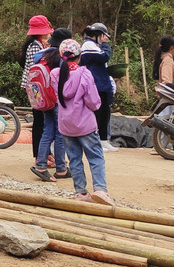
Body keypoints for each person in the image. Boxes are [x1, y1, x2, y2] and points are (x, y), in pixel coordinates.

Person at [52, 39, 114, 206]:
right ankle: (100, 190)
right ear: (79, 57)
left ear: (60, 55)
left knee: (74, 159)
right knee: (95, 157)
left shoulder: (55, 75)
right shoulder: (85, 74)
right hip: (85, 124)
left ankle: (81, 192)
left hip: (65, 125)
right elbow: (94, 102)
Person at [30, 28, 72, 182]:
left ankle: (41, 165)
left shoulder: (42, 55)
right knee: (60, 133)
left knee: (47, 131)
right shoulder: (61, 57)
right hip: (55, 99)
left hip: (43, 100)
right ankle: (61, 169)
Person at [19, 15, 54, 162]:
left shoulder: (38, 44)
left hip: (37, 87)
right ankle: (39, 155)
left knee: (42, 121)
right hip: (36, 89)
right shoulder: (35, 46)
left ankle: (45, 153)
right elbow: (37, 66)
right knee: (40, 122)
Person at [80, 23, 117, 152]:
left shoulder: (95, 45)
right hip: (95, 84)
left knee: (105, 113)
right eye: (104, 36)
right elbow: (104, 57)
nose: (105, 38)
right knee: (97, 113)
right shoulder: (88, 45)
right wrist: (106, 45)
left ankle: (103, 140)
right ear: (98, 35)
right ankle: (95, 142)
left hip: (102, 84)